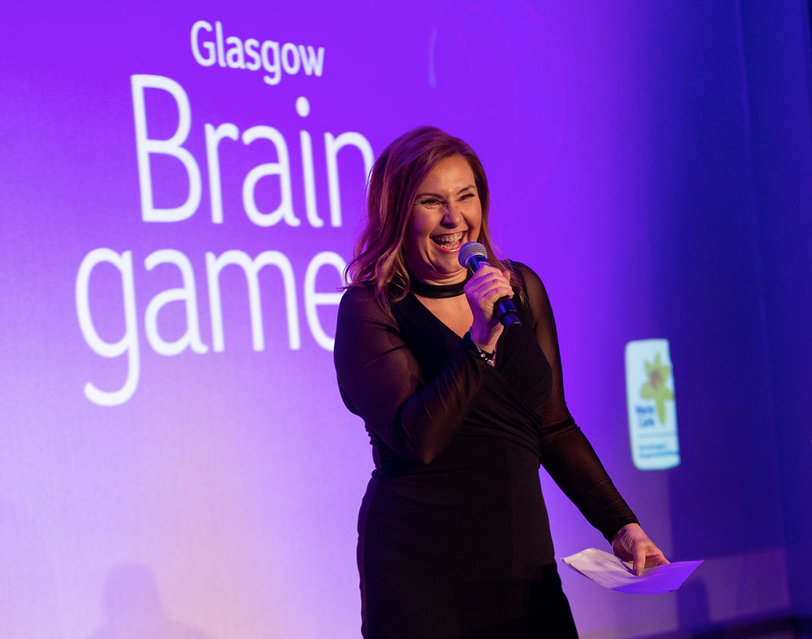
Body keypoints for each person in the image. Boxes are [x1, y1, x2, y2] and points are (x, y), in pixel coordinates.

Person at [334, 126, 668, 638]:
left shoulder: (522, 288)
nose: (454, 218)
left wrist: (621, 524)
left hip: (520, 557)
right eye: (431, 201)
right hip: (421, 566)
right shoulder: (371, 307)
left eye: (466, 196)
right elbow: (418, 440)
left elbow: (552, 426)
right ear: (399, 212)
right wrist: (480, 340)